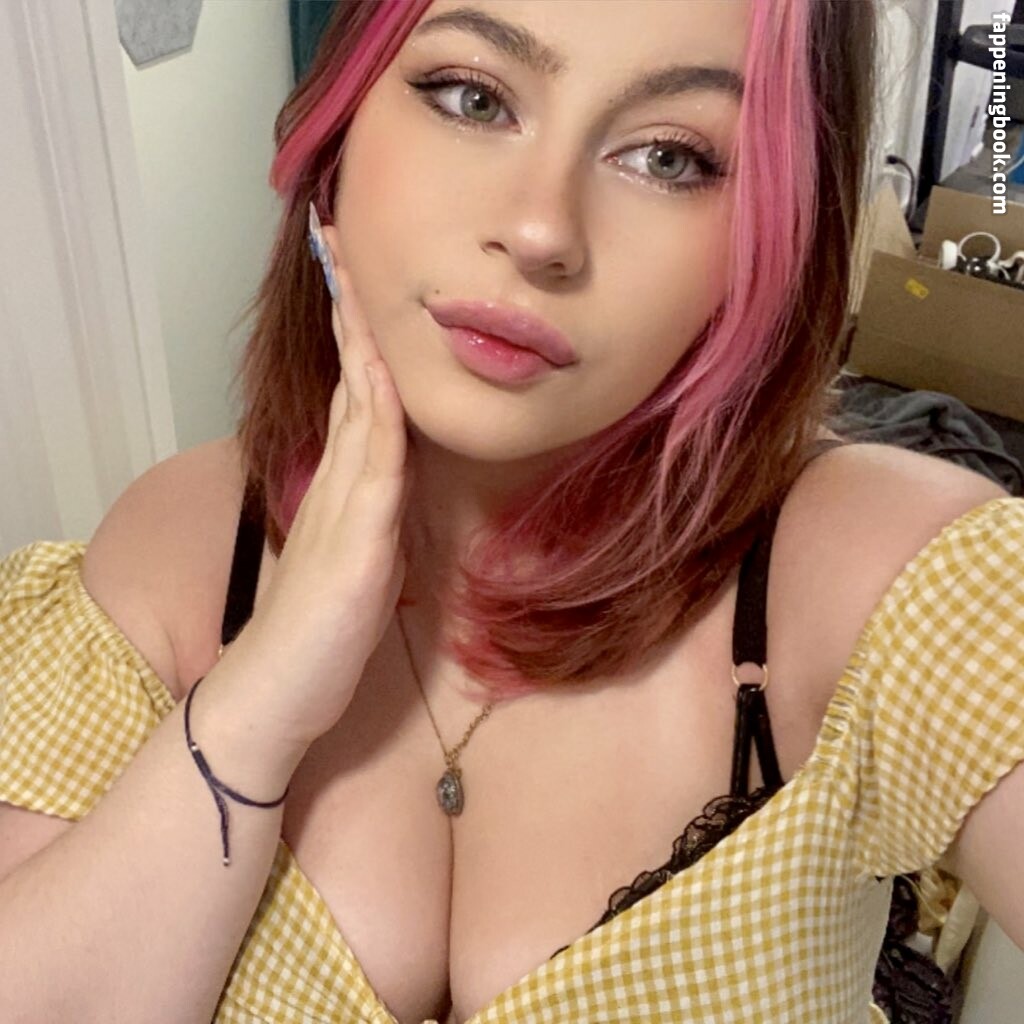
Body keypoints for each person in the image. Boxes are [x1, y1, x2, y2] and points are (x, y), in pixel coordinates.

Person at [1, 1, 1022, 1022]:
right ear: (338, 121)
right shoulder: (180, 543)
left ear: (779, 229)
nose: (540, 232)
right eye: (472, 98)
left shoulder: (885, 578)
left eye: (670, 158)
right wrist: (254, 707)